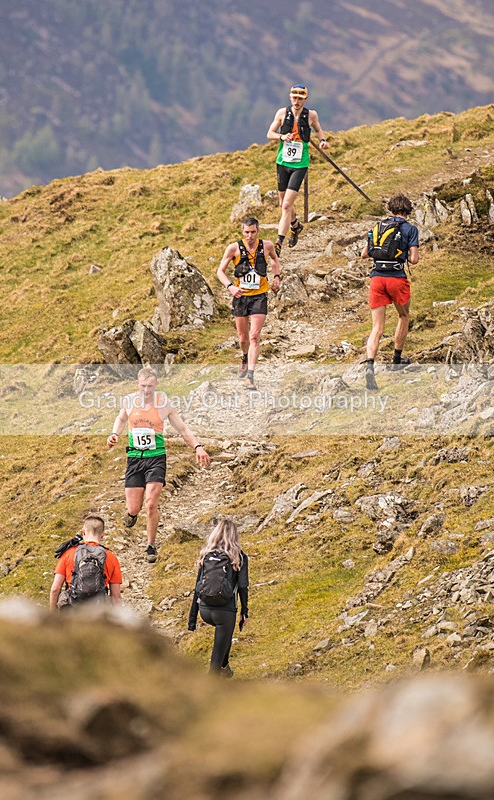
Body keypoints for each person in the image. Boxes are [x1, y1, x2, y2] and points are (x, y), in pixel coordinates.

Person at [107, 366, 210, 562]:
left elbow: (182, 428)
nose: (146, 390)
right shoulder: (129, 401)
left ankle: (150, 545)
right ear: (137, 384)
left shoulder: (164, 404)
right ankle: (131, 514)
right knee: (134, 508)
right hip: (135, 458)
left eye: (150, 387)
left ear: (156, 385)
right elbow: (121, 419)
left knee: (151, 504)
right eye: (143, 386)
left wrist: (198, 446)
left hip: (156, 458)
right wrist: (114, 434)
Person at [361, 194, 420, 390]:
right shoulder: (410, 229)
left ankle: (370, 364)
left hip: (376, 279)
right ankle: (396, 360)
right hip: (396, 278)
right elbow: (414, 260)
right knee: (403, 316)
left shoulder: (378, 227)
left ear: (391, 209)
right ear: (408, 211)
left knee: (377, 327)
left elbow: (364, 254)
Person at [217, 217, 280, 390]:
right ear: (242, 232)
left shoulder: (267, 245)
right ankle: (245, 356)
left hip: (260, 295)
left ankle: (250, 376)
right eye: (247, 232)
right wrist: (230, 287)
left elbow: (274, 259)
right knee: (243, 338)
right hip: (241, 296)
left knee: (254, 336)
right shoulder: (233, 248)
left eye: (253, 232)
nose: (250, 236)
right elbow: (220, 271)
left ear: (258, 231)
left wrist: (276, 277)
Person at [267, 84, 329, 255]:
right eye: (294, 97)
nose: (297, 100)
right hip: (283, 162)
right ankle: (295, 225)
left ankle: (279, 243)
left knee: (287, 205)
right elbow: (269, 133)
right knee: (283, 204)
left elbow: (318, 130)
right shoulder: (281, 113)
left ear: (305, 99)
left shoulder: (311, 115)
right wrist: (281, 136)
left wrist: (323, 140)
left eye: (300, 98)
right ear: (290, 97)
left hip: (300, 164)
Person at [188, 519, 249, 677]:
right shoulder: (239, 557)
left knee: (225, 637)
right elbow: (242, 587)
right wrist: (244, 612)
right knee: (221, 643)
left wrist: (192, 620)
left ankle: (225, 667)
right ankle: (212, 683)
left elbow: (197, 586)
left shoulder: (206, 555)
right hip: (224, 611)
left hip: (204, 609)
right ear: (234, 536)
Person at [49, 514, 122, 610]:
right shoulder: (111, 557)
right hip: (98, 611)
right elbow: (116, 596)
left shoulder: (68, 553)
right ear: (102, 535)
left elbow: (55, 589)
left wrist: (52, 614)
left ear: (83, 532)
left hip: (72, 608)